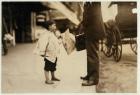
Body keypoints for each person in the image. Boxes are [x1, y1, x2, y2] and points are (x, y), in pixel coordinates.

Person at [81, 2, 106, 86]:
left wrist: (83, 23)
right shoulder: (90, 3)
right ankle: (90, 75)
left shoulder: (94, 3)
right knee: (90, 54)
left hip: (93, 31)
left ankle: (94, 79)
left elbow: (90, 17)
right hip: (91, 31)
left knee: (92, 55)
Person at [34, 20, 60, 84]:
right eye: (54, 25)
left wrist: (60, 41)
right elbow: (42, 43)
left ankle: (53, 77)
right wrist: (42, 52)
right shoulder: (45, 34)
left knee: (53, 66)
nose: (55, 26)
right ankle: (47, 80)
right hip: (48, 54)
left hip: (54, 53)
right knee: (47, 67)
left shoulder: (52, 33)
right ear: (49, 26)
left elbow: (55, 41)